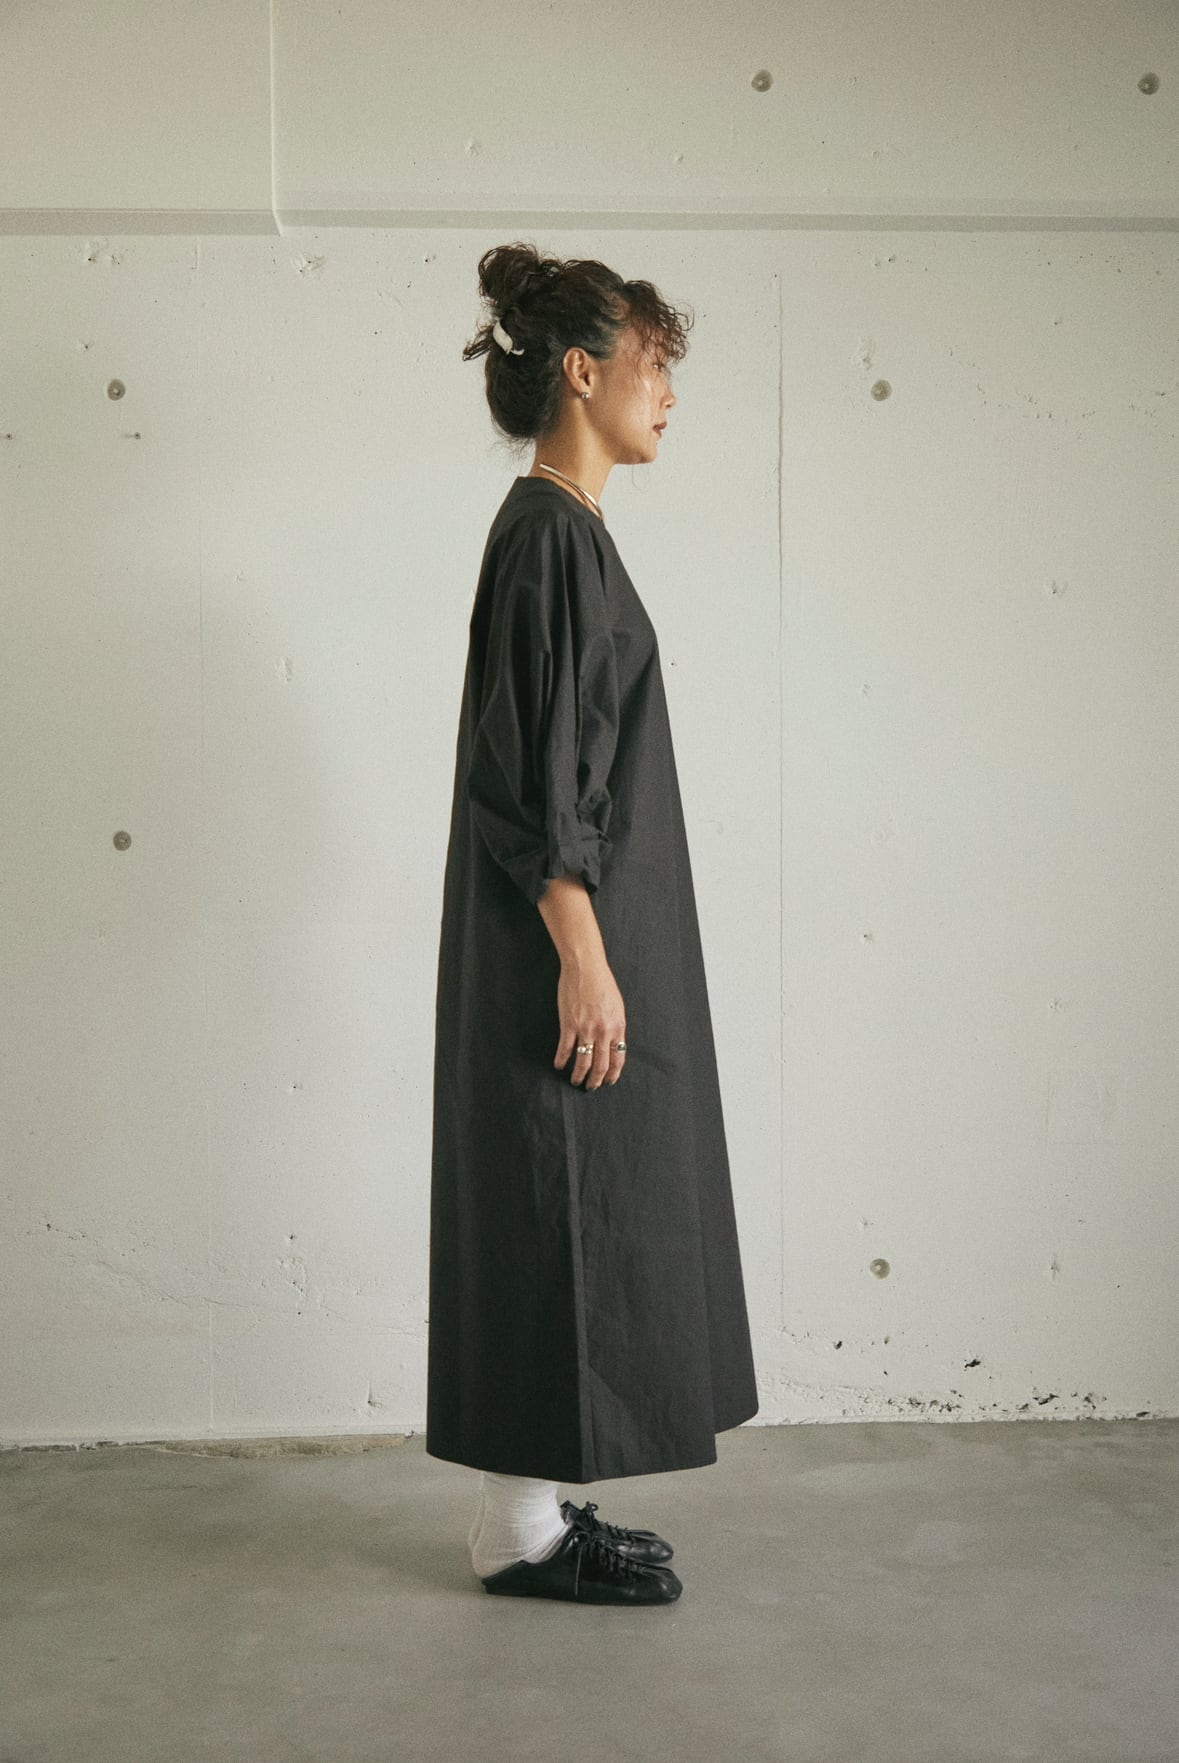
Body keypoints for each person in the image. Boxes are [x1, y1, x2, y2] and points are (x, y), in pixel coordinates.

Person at [426, 241, 758, 1607]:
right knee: (551, 1200)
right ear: (582, 370)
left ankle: (530, 1514)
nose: (669, 391)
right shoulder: (549, 537)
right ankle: (517, 1534)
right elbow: (535, 771)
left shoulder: (564, 531)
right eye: (654, 363)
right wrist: (582, 954)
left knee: (569, 1199)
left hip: (579, 933)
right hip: (561, 940)